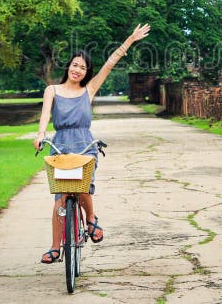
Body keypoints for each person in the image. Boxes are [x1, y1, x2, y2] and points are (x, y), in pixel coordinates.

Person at [33, 23, 151, 264]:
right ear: (69, 66)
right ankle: (55, 247)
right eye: (75, 65)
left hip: (85, 145)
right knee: (60, 198)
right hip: (61, 146)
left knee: (82, 187)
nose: (78, 70)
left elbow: (110, 63)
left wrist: (129, 39)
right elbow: (45, 115)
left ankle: (91, 220)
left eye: (83, 68)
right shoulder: (52, 90)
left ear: (87, 72)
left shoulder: (89, 90)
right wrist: (40, 134)